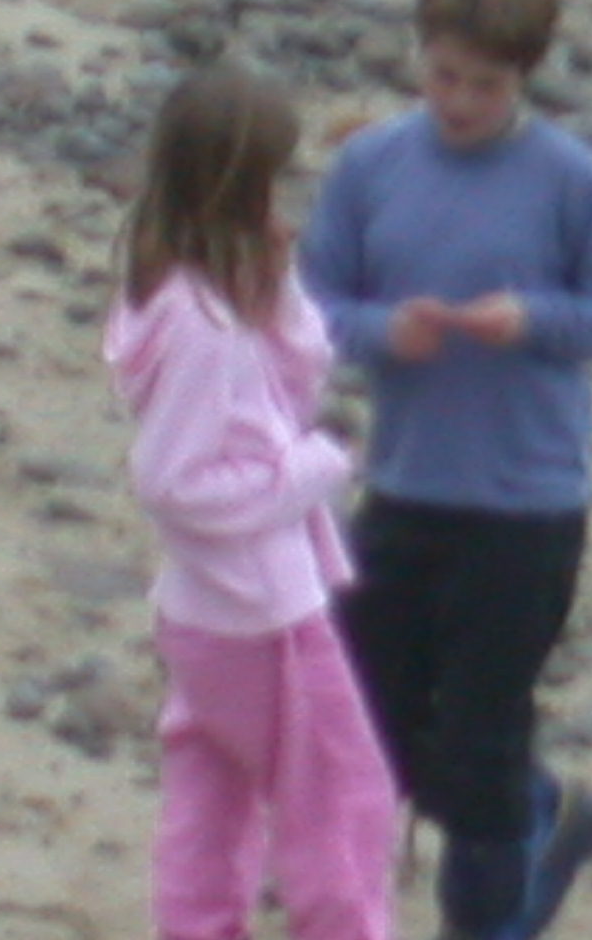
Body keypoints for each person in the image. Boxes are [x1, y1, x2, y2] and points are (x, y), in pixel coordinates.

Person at [299, 0, 592, 940]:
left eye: (484, 85)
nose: (458, 100)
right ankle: (548, 820)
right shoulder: (370, 165)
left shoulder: (566, 178)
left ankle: (488, 913)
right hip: (404, 492)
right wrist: (384, 334)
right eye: (444, 74)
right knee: (368, 726)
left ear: (523, 77)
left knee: (479, 748)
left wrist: (531, 321)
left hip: (525, 511)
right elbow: (312, 306)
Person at [105, 60, 400, 940]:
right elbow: (174, 480)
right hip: (261, 615)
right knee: (342, 805)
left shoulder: (182, 298)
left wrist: (280, 284)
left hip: (204, 612)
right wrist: (308, 469)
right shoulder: (206, 331)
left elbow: (301, 370)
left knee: (210, 796)